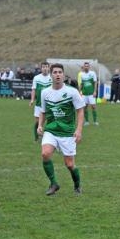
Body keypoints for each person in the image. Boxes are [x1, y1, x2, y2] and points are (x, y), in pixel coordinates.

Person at [37, 63, 85, 195]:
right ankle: (54, 183)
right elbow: (43, 111)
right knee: (45, 154)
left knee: (69, 164)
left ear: (63, 75)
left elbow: (80, 111)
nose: (57, 74)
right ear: (51, 75)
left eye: (60, 72)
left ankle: (77, 185)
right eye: (55, 72)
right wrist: (40, 125)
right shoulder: (45, 92)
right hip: (51, 130)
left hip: (67, 132)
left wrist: (79, 130)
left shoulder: (72, 92)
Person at [30, 62, 52, 141]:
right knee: (37, 122)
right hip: (39, 104)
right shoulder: (36, 78)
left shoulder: (52, 77)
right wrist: (32, 100)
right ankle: (37, 137)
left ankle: (48, 137)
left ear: (49, 68)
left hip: (50, 104)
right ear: (41, 68)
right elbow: (34, 89)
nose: (45, 68)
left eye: (46, 67)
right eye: (43, 67)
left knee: (48, 121)